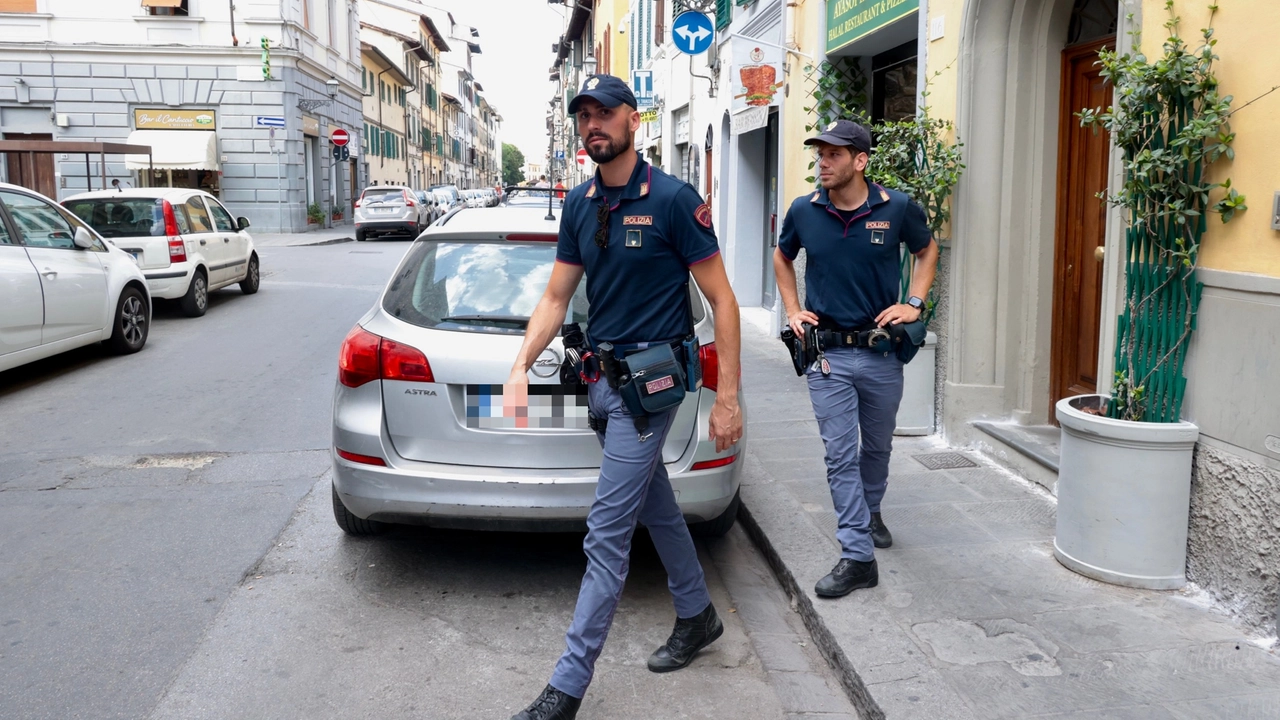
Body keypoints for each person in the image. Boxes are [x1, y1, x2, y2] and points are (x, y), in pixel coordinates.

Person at [507, 73, 743, 720]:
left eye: (604, 112)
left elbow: (723, 300)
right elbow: (556, 297)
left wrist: (728, 399)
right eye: (583, 115)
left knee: (606, 532)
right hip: (602, 386)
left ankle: (567, 685)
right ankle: (696, 615)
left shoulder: (671, 200)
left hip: (651, 388)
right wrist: (521, 364)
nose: (593, 125)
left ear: (633, 120)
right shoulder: (581, 205)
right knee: (657, 507)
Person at [773, 119, 939, 599]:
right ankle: (856, 554)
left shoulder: (897, 208)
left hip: (881, 352)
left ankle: (871, 512)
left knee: (878, 446)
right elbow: (782, 257)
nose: (822, 162)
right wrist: (792, 308)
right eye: (819, 154)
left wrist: (915, 302)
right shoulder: (804, 211)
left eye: (833, 154)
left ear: (860, 161)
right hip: (827, 354)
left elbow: (926, 252)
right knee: (840, 453)